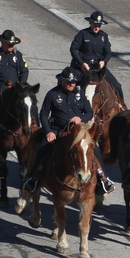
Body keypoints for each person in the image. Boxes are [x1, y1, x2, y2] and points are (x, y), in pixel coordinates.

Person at [23, 67, 113, 196]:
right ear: (62, 81)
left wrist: (79, 118)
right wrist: (49, 132)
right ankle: (34, 178)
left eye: (74, 82)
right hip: (57, 130)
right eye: (68, 82)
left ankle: (103, 179)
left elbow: (89, 112)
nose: (71, 85)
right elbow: (43, 114)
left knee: (95, 150)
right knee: (43, 147)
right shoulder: (53, 94)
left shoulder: (80, 94)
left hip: (77, 132)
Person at [70, 10, 123, 100]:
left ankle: (122, 109)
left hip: (98, 68)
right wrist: (82, 63)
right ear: (90, 23)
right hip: (83, 66)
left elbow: (108, 52)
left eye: (99, 25)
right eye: (95, 24)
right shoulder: (83, 34)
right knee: (72, 84)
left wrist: (104, 61)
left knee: (117, 86)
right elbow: (73, 49)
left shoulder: (104, 36)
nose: (97, 27)